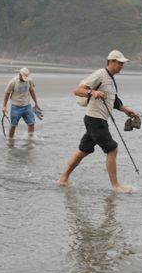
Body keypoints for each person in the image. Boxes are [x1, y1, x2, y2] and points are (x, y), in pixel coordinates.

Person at [57, 50, 137, 193]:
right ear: (111, 61)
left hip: (97, 120)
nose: (122, 66)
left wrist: (125, 110)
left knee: (84, 150)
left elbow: (113, 100)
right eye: (119, 63)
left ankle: (63, 178)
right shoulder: (100, 74)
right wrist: (92, 92)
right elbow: (78, 90)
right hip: (95, 119)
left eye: (123, 64)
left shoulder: (111, 79)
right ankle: (116, 186)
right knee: (112, 149)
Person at [1, 67, 41, 139]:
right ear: (19, 74)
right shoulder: (13, 82)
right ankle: (10, 141)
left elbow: (32, 91)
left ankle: (30, 140)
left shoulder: (29, 80)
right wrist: (4, 106)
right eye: (23, 77)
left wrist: (36, 103)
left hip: (27, 106)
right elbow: (7, 93)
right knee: (13, 125)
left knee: (31, 123)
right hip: (16, 107)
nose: (24, 79)